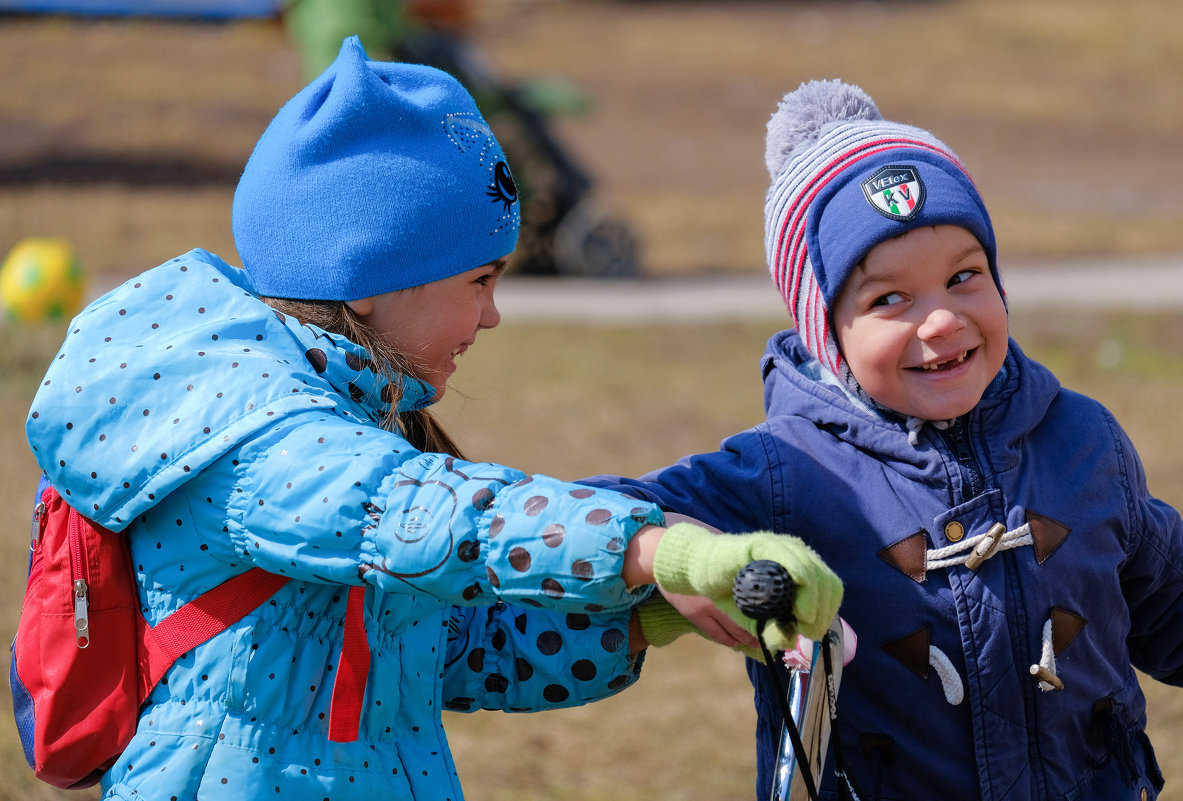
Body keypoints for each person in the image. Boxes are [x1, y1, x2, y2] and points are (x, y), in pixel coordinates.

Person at [21, 39, 842, 801]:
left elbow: (451, 648)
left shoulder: (348, 419)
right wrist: (653, 548)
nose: (492, 317)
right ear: (370, 276)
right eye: (479, 280)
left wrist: (647, 610)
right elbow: (432, 515)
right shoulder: (259, 441)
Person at [583, 79, 1182, 801]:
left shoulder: (1082, 435)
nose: (940, 321)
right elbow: (593, 518)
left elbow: (1166, 599)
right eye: (888, 299)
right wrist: (674, 543)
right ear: (823, 330)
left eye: (964, 276)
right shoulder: (786, 473)